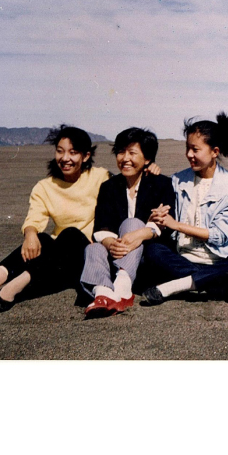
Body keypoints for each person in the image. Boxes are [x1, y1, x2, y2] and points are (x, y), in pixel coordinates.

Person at [0, 125, 112, 314]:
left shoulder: (100, 177)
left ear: (86, 156)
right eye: (60, 151)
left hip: (87, 254)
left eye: (73, 152)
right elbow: (35, 217)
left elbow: (128, 182)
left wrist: (147, 169)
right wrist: (30, 234)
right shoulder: (45, 187)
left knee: (71, 234)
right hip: (58, 255)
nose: (65, 158)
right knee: (41, 238)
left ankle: (17, 284)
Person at [143, 112, 228, 305]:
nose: (189, 154)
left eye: (195, 149)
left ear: (214, 151)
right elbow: (160, 204)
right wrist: (153, 176)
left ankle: (176, 286)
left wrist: (176, 225)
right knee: (153, 251)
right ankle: (217, 285)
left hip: (220, 260)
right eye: (187, 148)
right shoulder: (178, 180)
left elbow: (218, 236)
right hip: (183, 259)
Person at [80, 127, 175, 317]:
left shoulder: (160, 184)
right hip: (117, 253)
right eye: (121, 152)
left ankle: (122, 287)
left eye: (132, 153)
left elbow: (164, 222)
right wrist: (111, 244)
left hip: (146, 258)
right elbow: (102, 225)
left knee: (132, 223)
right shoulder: (109, 187)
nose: (125, 158)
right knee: (93, 248)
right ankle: (103, 294)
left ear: (147, 159)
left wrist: (139, 234)